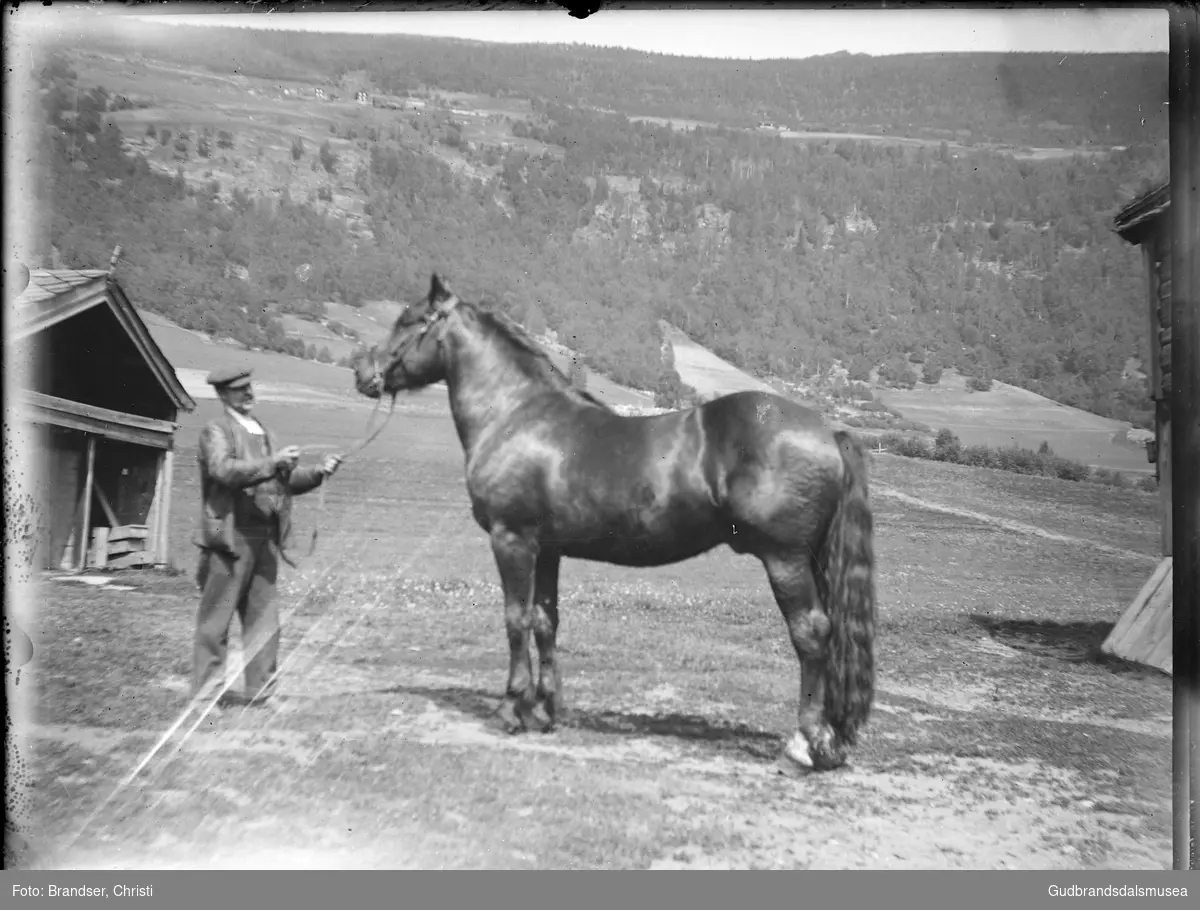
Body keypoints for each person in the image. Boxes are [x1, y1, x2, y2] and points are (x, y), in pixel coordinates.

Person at [191, 366, 342, 709]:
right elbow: (223, 470)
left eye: (249, 388)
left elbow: (285, 481)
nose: (247, 394)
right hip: (229, 537)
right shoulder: (216, 430)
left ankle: (261, 693)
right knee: (216, 621)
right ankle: (204, 697)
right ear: (222, 395)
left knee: (264, 621)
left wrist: (320, 472)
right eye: (238, 390)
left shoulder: (265, 432)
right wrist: (273, 462)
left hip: (265, 540)